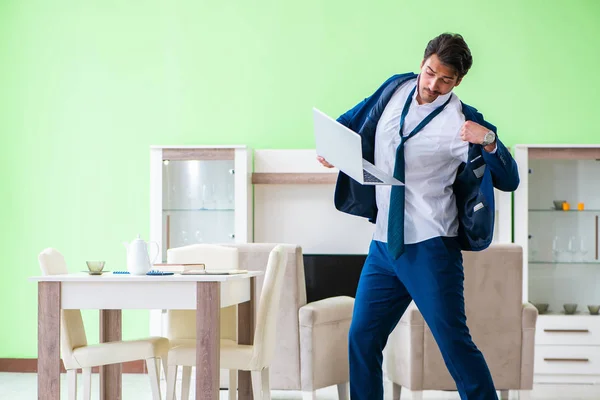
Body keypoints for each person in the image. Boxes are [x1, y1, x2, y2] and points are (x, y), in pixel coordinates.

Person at [317, 33, 519, 400]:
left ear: (458, 81)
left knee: (454, 343)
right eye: (429, 72)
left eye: (445, 80)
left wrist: (488, 139)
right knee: (362, 338)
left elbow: (510, 179)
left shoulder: (462, 123)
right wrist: (330, 146)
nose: (432, 85)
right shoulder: (395, 88)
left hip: (431, 245)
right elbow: (349, 120)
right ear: (422, 62)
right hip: (384, 244)